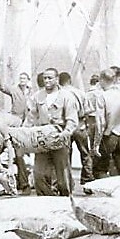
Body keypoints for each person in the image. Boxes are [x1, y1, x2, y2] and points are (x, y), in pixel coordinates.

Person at [27, 67, 80, 196]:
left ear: (57, 79)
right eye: (45, 78)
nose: (47, 81)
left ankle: (66, 197)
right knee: (39, 173)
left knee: (62, 174)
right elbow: (31, 118)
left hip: (59, 136)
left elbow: (72, 119)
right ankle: (46, 198)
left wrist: (65, 133)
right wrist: (26, 135)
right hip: (42, 138)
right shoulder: (37, 97)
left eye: (50, 78)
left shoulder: (67, 97)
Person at [0, 70, 35, 193]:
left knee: (23, 156)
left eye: (24, 78)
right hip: (16, 123)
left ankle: (24, 182)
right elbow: (2, 87)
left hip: (27, 125)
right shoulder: (14, 90)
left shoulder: (31, 93)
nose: (22, 80)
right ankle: (23, 184)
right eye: (21, 78)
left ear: (28, 80)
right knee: (18, 155)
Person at [99, 68, 120, 176]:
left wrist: (96, 143)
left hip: (109, 135)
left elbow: (101, 122)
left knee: (101, 168)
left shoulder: (103, 96)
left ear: (102, 80)